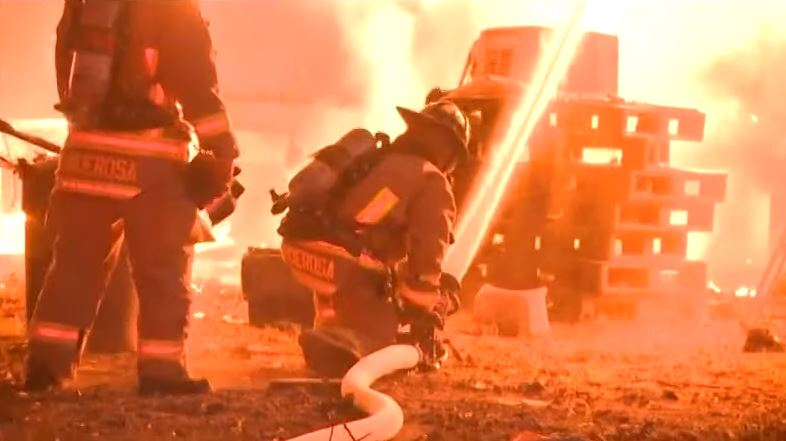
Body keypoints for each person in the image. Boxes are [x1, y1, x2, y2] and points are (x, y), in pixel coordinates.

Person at [24, 0, 238, 394]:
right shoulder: (172, 9)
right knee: (161, 273)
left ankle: (44, 370)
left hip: (83, 154)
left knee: (72, 267)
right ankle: (162, 372)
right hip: (149, 160)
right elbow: (196, 85)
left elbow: (67, 76)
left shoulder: (85, 5)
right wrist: (222, 149)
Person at [278, 100, 469, 377]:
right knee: (383, 338)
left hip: (300, 245)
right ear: (449, 149)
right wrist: (426, 308)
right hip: (345, 259)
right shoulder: (432, 180)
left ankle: (331, 332)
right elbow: (428, 250)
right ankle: (347, 345)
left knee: (356, 296)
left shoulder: (378, 159)